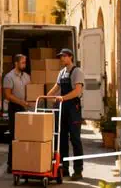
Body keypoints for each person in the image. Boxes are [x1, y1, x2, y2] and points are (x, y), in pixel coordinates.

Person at [46, 48, 84, 181]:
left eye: (64, 56)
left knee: (75, 139)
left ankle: (78, 170)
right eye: (60, 56)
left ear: (70, 57)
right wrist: (46, 96)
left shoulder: (77, 72)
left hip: (73, 108)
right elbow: (56, 87)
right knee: (61, 139)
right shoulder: (61, 73)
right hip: (62, 109)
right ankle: (64, 168)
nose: (61, 59)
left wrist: (63, 98)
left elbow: (77, 91)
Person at [4, 54, 32, 173]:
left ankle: (24, 163)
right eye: (22, 62)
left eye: (25, 62)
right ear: (16, 63)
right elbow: (8, 95)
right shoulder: (9, 77)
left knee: (26, 137)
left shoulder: (27, 76)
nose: (24, 64)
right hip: (15, 108)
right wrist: (21, 102)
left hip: (26, 108)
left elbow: (30, 91)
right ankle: (11, 164)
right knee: (14, 137)